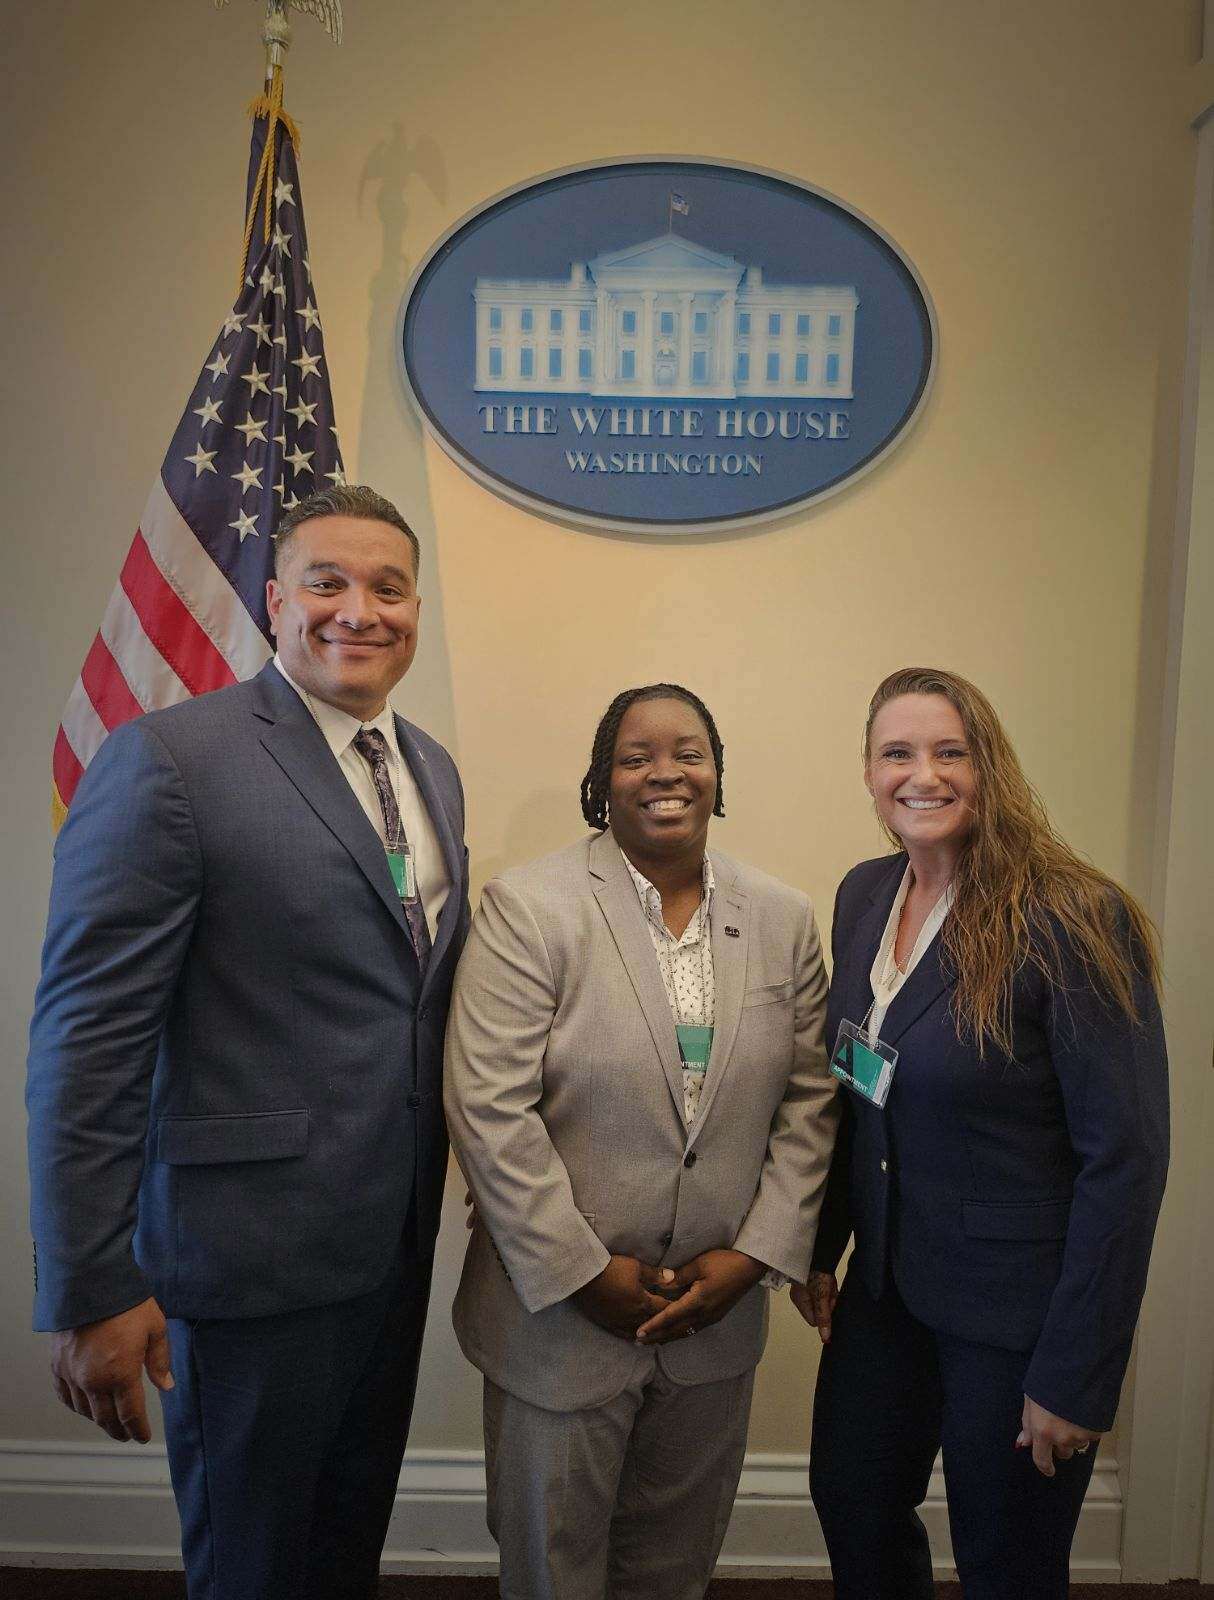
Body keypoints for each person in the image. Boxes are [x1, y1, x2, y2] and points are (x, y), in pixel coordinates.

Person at [26, 484, 470, 1600]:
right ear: (275, 601)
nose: (356, 610)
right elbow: (86, 1040)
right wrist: (90, 1285)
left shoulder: (432, 770)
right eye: (326, 582)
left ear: (415, 608)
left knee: (339, 1553)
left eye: (386, 586)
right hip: (243, 1261)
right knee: (255, 1567)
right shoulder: (168, 760)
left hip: (391, 1242)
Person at [444, 682, 839, 1600]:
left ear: (717, 773)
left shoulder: (782, 917)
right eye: (636, 756)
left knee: (675, 1567)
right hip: (557, 1320)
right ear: (601, 781)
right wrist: (584, 1275)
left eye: (689, 751)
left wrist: (753, 1259)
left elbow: (812, 1101)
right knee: (553, 1567)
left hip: (716, 1317)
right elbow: (488, 1107)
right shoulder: (529, 909)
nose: (666, 772)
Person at [796, 666, 1169, 1600]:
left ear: (988, 765)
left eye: (948, 751)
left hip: (1015, 1318)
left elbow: (1125, 1162)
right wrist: (822, 1247)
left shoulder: (1073, 916)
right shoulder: (864, 895)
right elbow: (862, 1091)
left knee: (1005, 1562)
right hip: (884, 1295)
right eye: (897, 754)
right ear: (870, 773)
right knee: (854, 1512)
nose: (923, 774)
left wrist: (1076, 1377)